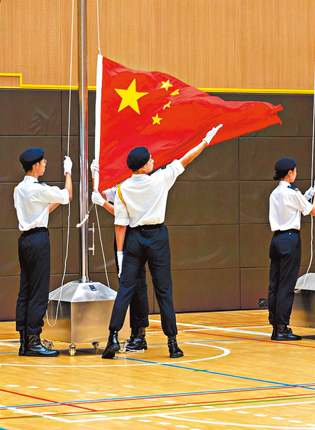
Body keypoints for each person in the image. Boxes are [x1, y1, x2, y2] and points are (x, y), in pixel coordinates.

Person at [102, 124, 222, 360]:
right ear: (144, 166)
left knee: (125, 289)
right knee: (164, 290)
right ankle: (172, 344)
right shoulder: (160, 179)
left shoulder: (123, 189)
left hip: (134, 239)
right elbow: (186, 159)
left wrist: (120, 255)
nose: (153, 161)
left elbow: (120, 224)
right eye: (150, 159)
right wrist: (205, 142)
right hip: (157, 237)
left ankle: (113, 337)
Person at [14, 148, 73, 357]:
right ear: (36, 165)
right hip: (38, 240)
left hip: (25, 240)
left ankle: (24, 341)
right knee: (39, 291)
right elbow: (68, 195)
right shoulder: (39, 189)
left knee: (25, 290)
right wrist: (68, 172)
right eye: (43, 161)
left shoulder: (19, 188)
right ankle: (34, 341)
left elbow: (42, 210)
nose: (45, 163)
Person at [90, 161, 150, 352]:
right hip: (122, 237)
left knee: (137, 285)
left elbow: (124, 214)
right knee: (126, 285)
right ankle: (131, 333)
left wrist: (104, 204)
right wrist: (95, 177)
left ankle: (139, 334)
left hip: (135, 233)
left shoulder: (139, 185)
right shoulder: (120, 184)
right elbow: (99, 194)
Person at [267, 158, 315, 341]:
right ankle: (282, 327)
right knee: (286, 285)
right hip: (290, 239)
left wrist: (306, 195)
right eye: (295, 171)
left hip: (276, 239)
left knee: (275, 284)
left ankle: (276, 326)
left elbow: (293, 206)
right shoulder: (292, 192)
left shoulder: (275, 193)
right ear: (290, 173)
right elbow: (313, 211)